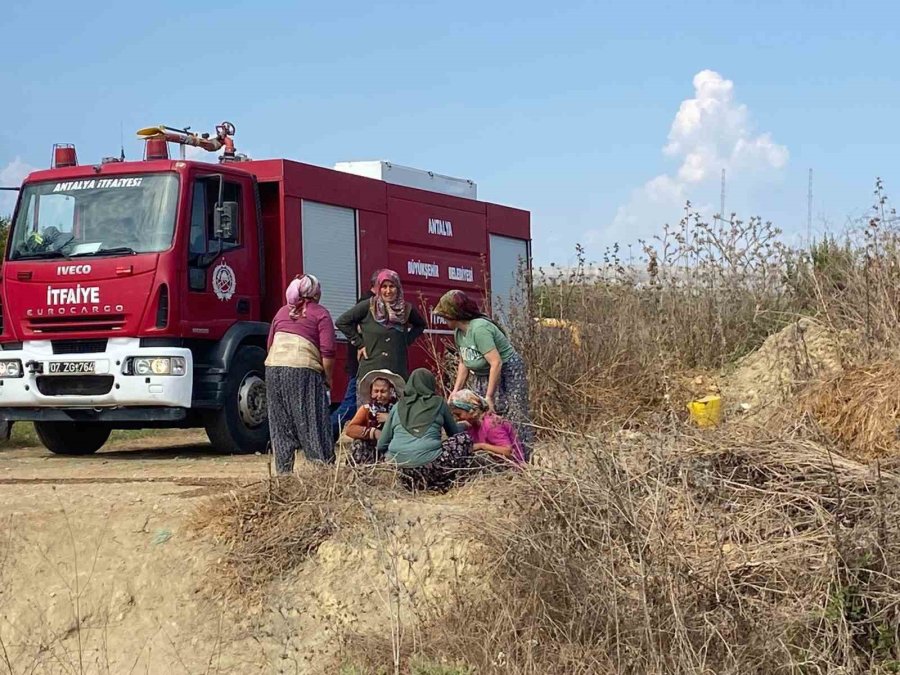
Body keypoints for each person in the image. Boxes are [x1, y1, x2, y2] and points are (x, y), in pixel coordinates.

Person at [434, 289, 533, 461]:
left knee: (512, 414)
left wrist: (489, 396)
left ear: (454, 313)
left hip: (507, 372)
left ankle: (520, 459)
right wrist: (455, 390)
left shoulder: (479, 329)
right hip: (483, 374)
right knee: (481, 417)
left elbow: (496, 362)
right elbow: (465, 361)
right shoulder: (459, 333)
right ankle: (493, 458)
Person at [265, 274, 335, 473]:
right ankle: (323, 474)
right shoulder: (320, 313)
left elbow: (270, 344)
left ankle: (283, 474)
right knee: (312, 421)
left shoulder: (281, 312)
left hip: (273, 368)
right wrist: (328, 378)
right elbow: (328, 352)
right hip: (302, 369)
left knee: (281, 423)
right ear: (315, 293)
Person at [376, 368, 474, 492]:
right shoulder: (439, 403)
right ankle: (449, 484)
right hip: (430, 468)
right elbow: (453, 433)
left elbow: (381, 444)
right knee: (464, 439)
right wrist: (463, 425)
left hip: (399, 472)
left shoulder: (397, 407)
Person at [336, 269, 427, 382]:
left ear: (398, 288)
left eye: (392, 286)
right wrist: (359, 343)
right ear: (379, 288)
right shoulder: (368, 306)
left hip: (397, 372)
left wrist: (406, 340)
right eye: (384, 286)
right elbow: (342, 322)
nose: (388, 291)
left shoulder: (406, 309)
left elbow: (421, 325)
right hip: (371, 372)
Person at [330, 270, 380, 440]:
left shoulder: (372, 302)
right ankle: (328, 432)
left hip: (360, 363)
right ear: (376, 286)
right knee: (351, 404)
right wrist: (360, 343)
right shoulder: (367, 303)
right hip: (362, 365)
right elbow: (345, 323)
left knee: (352, 403)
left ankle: (328, 432)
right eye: (385, 285)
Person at [342, 369, 405, 465]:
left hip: (391, 449)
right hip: (370, 451)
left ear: (391, 392)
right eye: (376, 391)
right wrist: (373, 432)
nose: (379, 395)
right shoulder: (366, 409)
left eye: (383, 391)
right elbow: (350, 429)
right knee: (358, 443)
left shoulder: (398, 410)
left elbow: (406, 429)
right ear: (371, 393)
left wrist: (390, 419)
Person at [448, 389, 525, 466]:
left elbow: (508, 452)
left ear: (470, 410)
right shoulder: (472, 425)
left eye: (459, 414)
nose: (457, 418)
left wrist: (482, 446)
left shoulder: (491, 425)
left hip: (511, 468)